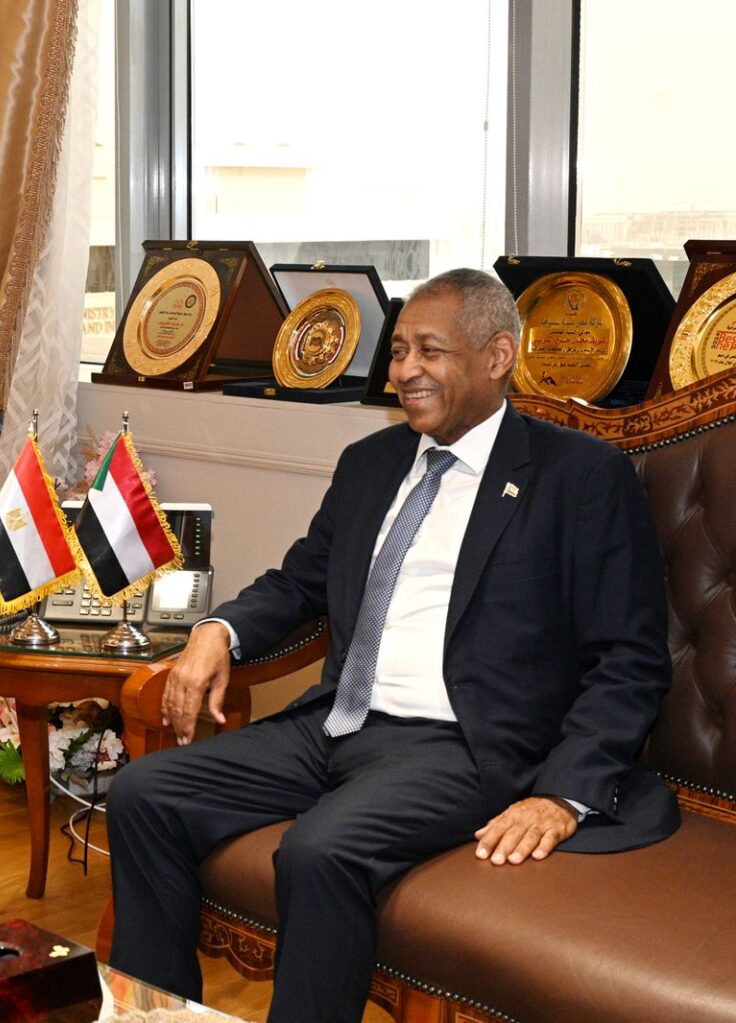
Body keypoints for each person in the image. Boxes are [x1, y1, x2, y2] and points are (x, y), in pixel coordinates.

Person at [106, 267, 678, 1022]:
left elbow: (630, 658)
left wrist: (561, 793)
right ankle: (153, 1016)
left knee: (319, 849)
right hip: (336, 724)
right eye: (400, 350)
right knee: (143, 793)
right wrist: (219, 630)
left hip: (462, 744)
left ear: (497, 356)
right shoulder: (371, 463)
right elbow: (301, 581)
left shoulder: (579, 476)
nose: (405, 370)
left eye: (430, 351)